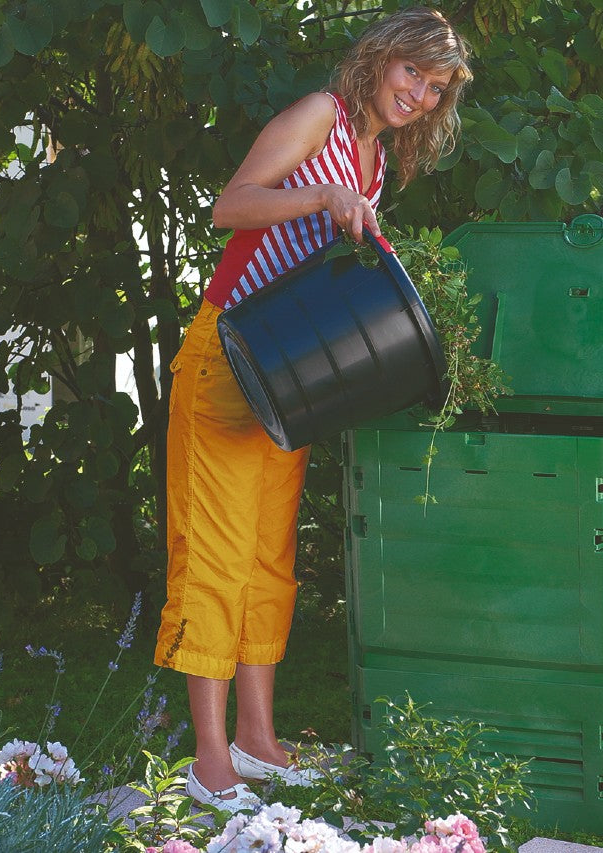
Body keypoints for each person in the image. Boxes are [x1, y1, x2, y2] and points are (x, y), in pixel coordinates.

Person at [154, 7, 472, 813]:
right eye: (413, 75)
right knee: (216, 558)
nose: (421, 97)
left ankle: (258, 741)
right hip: (227, 359)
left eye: (435, 89)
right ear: (380, 58)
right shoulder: (320, 118)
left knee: (267, 556)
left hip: (288, 372)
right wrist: (324, 194)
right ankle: (209, 759)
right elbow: (232, 206)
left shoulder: (370, 155)